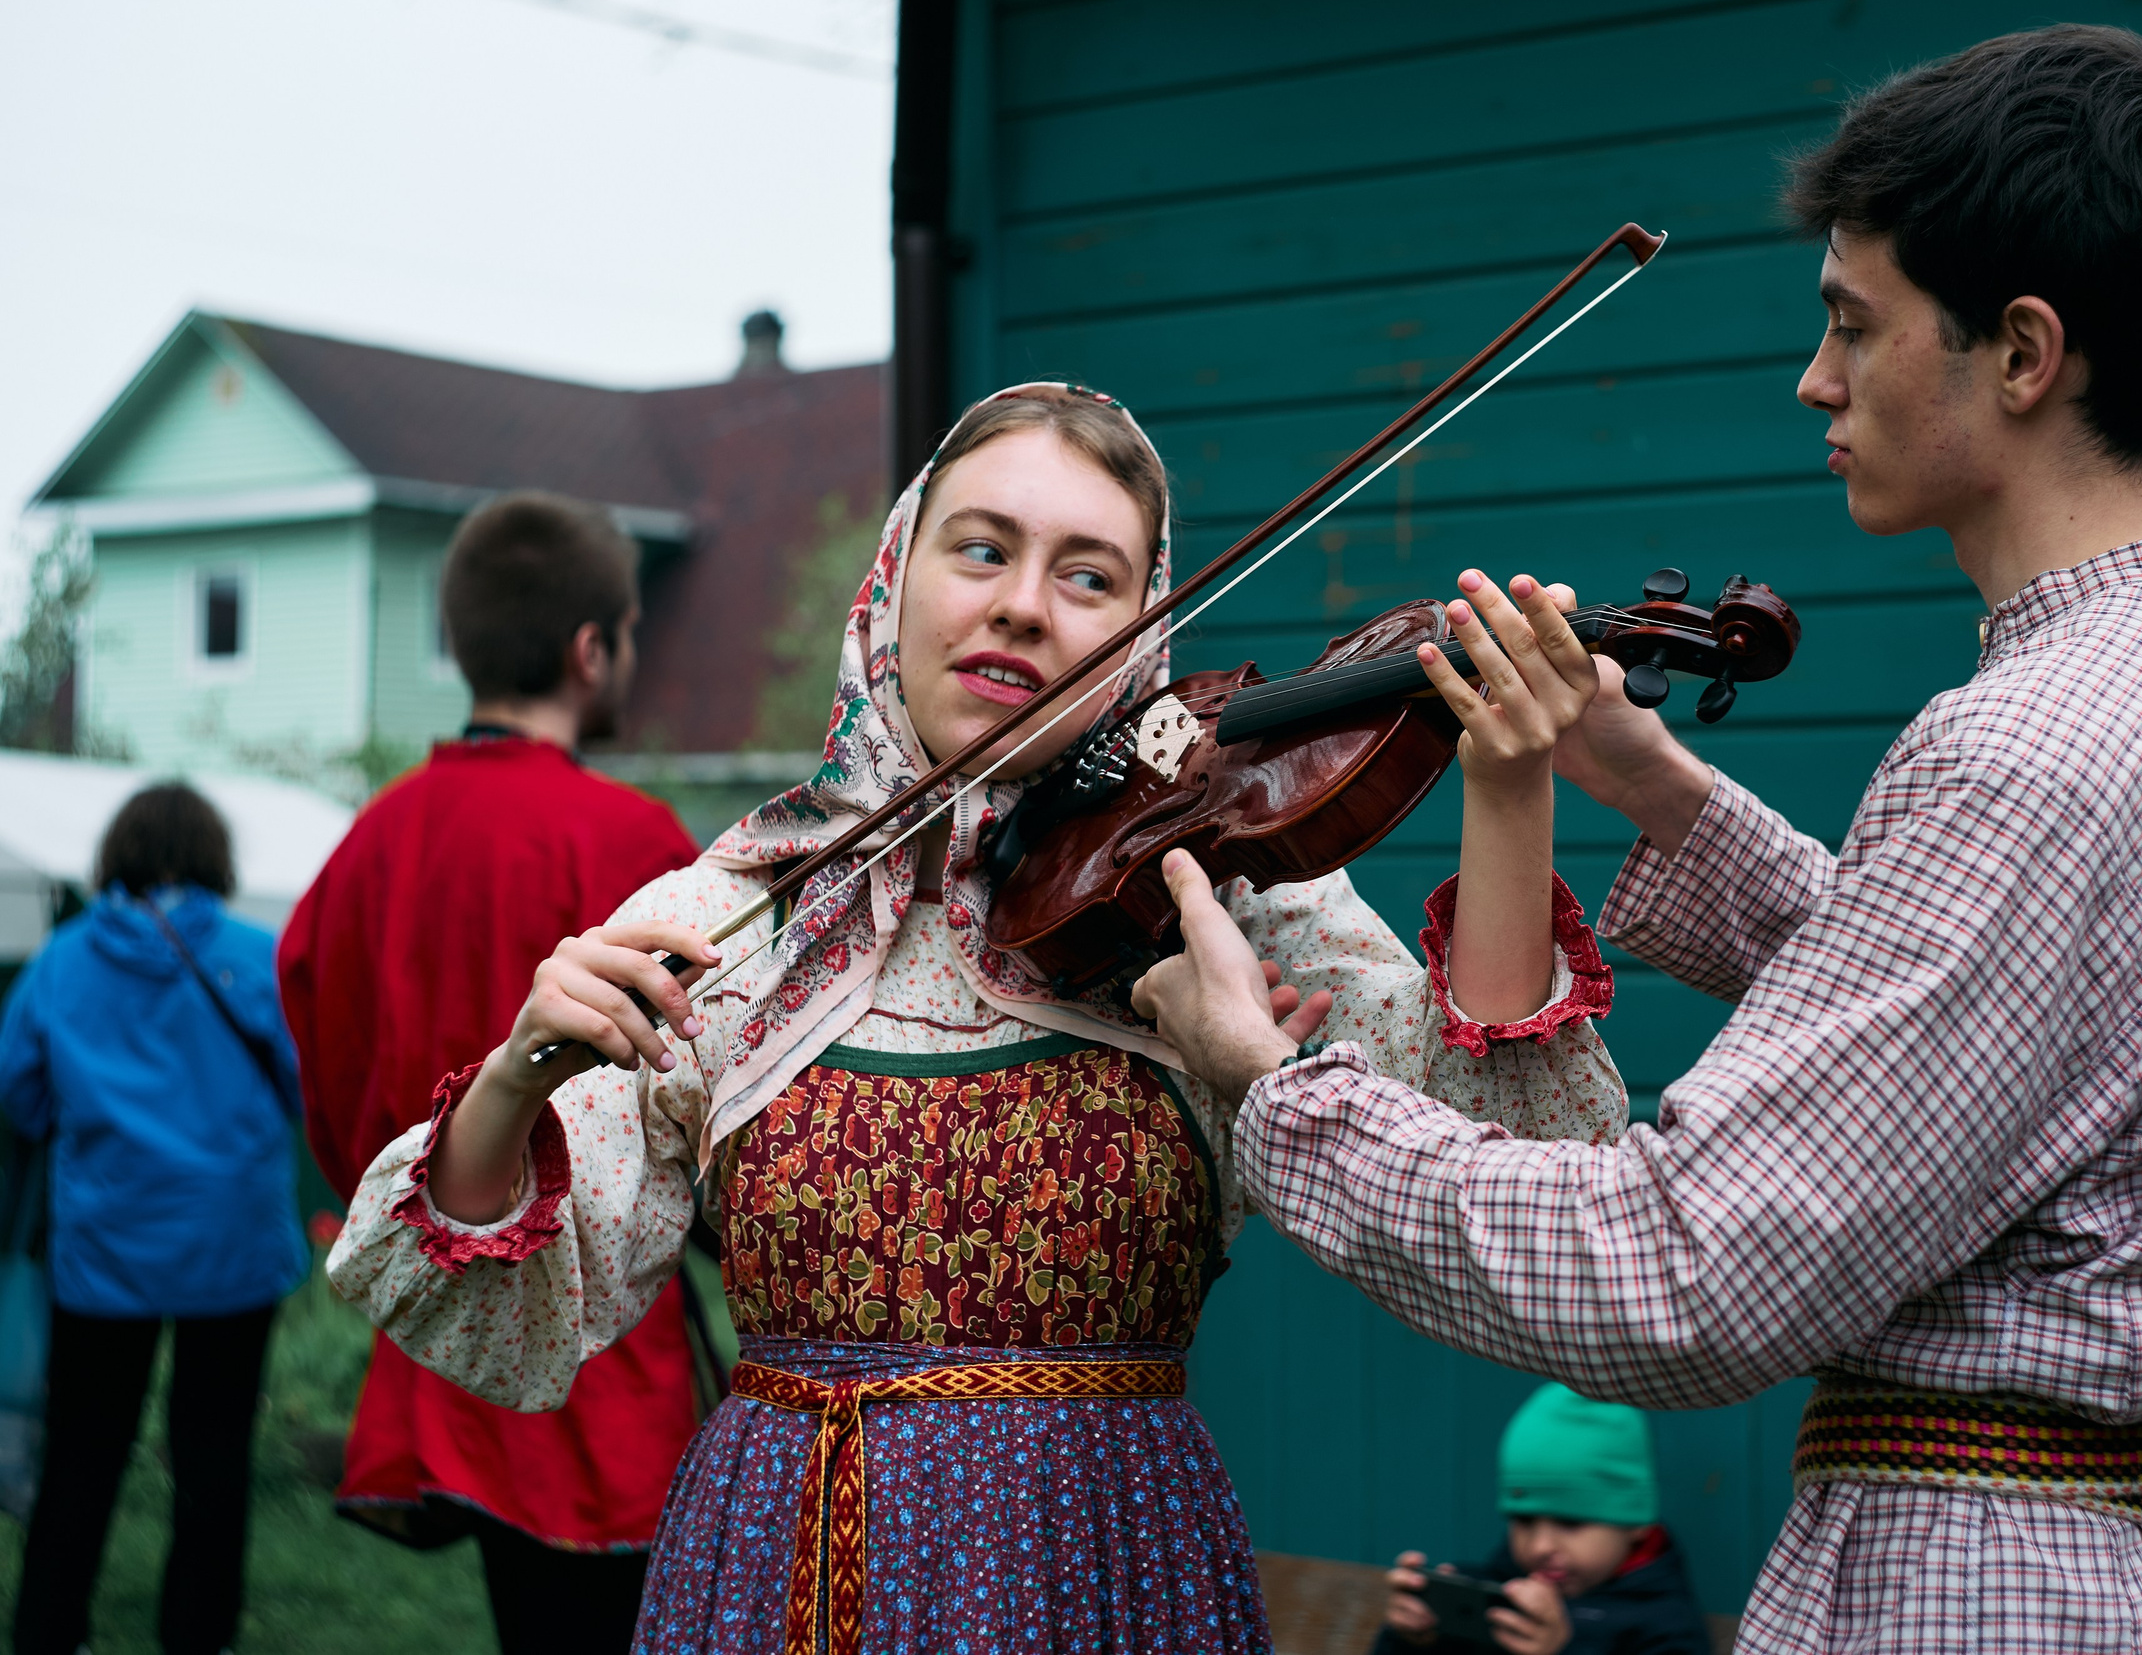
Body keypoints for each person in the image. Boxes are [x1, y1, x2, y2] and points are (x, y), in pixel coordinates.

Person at [1128, 26, 2142, 1654]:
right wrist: (1662, 791)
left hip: (1994, 1596)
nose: (1815, 380)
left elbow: (1681, 1272)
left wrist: (1268, 1087)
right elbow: (1991, 1036)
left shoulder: (2030, 751)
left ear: (2021, 352)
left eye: (1854, 327)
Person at [324, 382, 1628, 1654]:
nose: (1020, 602)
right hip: (781, 1568)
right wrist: (510, 1080)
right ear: (896, 578)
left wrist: (1508, 790)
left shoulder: (1210, 885)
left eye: (1088, 575)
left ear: (1143, 625)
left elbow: (1520, 1163)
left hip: (1109, 1569)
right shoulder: (734, 905)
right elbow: (513, 1314)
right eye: (984, 548)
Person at [278, 492, 703, 1653]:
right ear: (589, 649)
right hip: (598, 1352)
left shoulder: (371, 839)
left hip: (451, 1335)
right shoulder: (635, 841)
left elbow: (328, 1087)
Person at [0, 783, 306, 1655]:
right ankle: (197, 1636)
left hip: (103, 1249)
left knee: (82, 1455)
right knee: (213, 1455)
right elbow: (300, 1088)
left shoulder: (60, 961)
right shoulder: (257, 956)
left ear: (117, 854)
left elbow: (19, 1091)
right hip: (232, 1246)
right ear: (214, 856)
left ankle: (48, 1632)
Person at [1378, 1382, 1707, 1655]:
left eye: (1571, 1523)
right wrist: (1410, 1639)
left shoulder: (1667, 1628)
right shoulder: (1489, 1597)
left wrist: (1562, 1650)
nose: (1540, 1546)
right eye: (1524, 1521)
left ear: (1636, 1525)